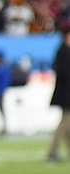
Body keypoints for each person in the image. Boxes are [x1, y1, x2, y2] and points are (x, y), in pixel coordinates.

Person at [46, 23, 70, 162]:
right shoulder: (63, 51)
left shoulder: (64, 50)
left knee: (67, 124)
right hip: (65, 94)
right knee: (65, 124)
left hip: (65, 93)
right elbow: (63, 73)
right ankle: (52, 151)